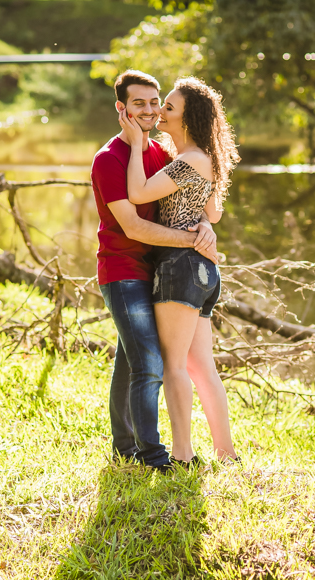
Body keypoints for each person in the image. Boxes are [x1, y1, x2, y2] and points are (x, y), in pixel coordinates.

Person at [90, 70, 218, 470]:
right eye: (138, 103)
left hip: (156, 270)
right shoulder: (110, 159)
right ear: (121, 108)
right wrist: (193, 241)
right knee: (149, 363)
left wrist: (206, 225)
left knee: (129, 361)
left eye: (154, 101)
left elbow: (195, 197)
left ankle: (123, 446)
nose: (149, 110)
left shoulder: (161, 153)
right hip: (123, 271)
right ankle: (153, 457)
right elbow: (133, 226)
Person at [118, 77, 240, 464]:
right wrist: (204, 226)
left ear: (187, 118)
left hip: (180, 267)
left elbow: (137, 194)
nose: (159, 112)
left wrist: (137, 145)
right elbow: (214, 213)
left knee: (174, 364)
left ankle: (184, 454)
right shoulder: (202, 158)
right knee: (201, 365)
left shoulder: (189, 160)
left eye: (168, 107)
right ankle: (226, 453)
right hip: (202, 270)